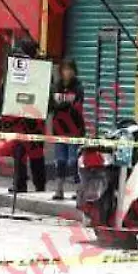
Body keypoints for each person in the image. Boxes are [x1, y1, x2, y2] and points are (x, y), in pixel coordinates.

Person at [2, 39, 47, 194]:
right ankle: (31, 184)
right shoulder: (32, 68)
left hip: (28, 116)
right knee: (25, 151)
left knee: (28, 152)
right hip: (27, 116)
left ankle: (29, 184)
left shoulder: (37, 69)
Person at [49, 59, 86, 201]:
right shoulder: (56, 87)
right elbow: (52, 106)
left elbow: (76, 106)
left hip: (74, 129)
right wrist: (64, 105)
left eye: (70, 69)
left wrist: (63, 106)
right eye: (65, 69)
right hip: (59, 129)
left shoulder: (78, 87)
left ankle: (79, 190)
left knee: (74, 161)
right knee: (60, 160)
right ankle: (59, 190)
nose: (67, 72)